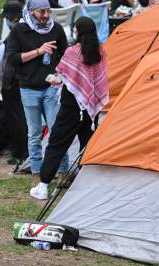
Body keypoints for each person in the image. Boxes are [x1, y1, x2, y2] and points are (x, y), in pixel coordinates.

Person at [29, 17, 106, 201]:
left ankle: (43, 185)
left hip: (70, 107)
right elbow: (96, 81)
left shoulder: (72, 52)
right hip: (90, 108)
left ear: (77, 31)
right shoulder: (100, 52)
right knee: (87, 144)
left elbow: (64, 76)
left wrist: (56, 80)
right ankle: (89, 183)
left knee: (56, 144)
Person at [5, 0, 68, 176]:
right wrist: (39, 51)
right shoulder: (19, 30)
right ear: (32, 12)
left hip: (51, 88)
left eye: (48, 11)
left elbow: (65, 55)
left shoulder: (55, 29)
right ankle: (36, 170)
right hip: (28, 88)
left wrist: (60, 73)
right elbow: (13, 59)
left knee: (56, 130)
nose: (46, 15)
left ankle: (62, 169)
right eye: (42, 11)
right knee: (34, 134)